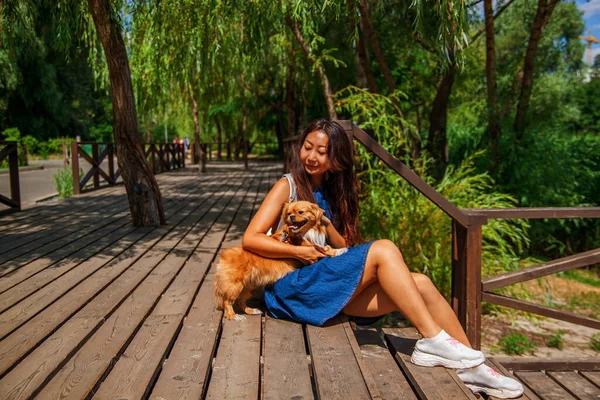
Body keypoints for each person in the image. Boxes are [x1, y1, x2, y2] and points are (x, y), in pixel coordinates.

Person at [242, 119, 524, 399]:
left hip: (323, 279)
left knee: (422, 284)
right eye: (307, 147)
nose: (312, 157)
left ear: (335, 158)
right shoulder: (287, 186)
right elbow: (251, 238)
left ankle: (474, 368)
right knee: (384, 248)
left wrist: (326, 224)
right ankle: (433, 341)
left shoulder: (335, 190)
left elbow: (341, 246)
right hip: (292, 285)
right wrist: (298, 251)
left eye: (322, 151)